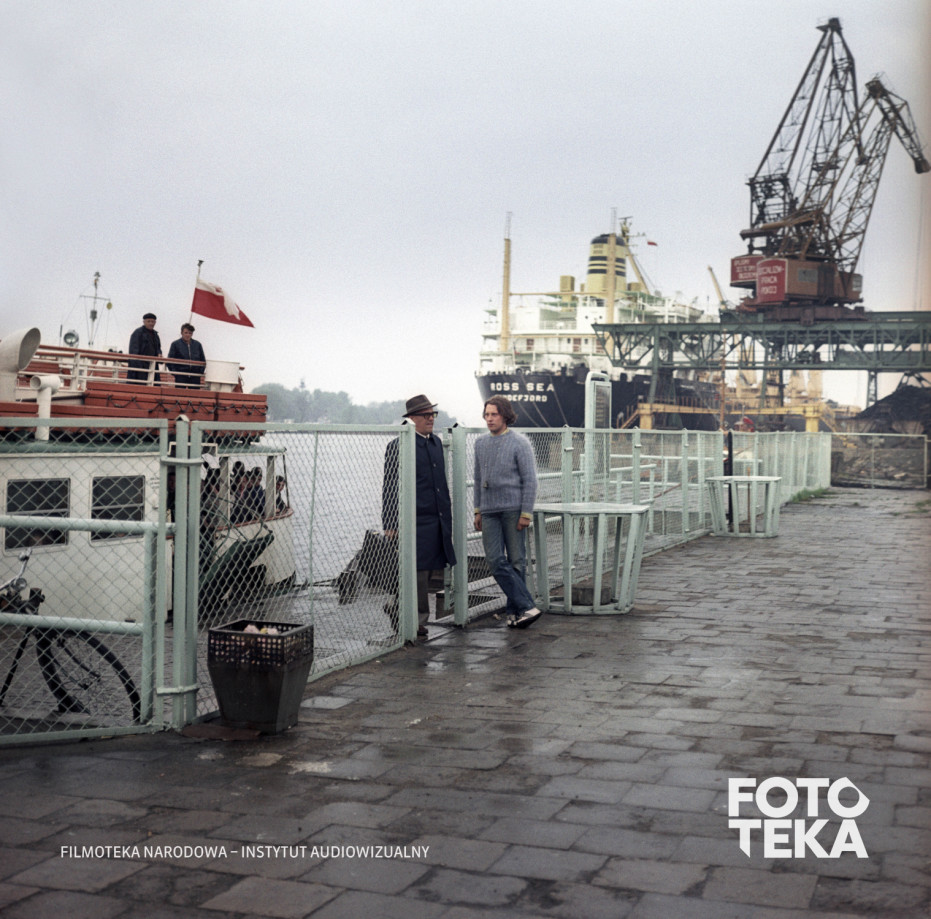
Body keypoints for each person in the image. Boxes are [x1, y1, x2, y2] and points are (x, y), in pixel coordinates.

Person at [382, 394, 456, 639]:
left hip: (437, 517)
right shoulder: (398, 445)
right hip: (414, 519)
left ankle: (401, 610)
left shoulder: (435, 443)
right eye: (425, 415)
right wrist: (390, 523)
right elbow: (389, 486)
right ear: (412, 418)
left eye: (432, 414)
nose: (431, 419)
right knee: (418, 571)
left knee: (430, 568)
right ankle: (415, 619)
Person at [473, 395, 541, 629]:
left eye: (494, 414)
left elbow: (530, 480)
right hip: (489, 511)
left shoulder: (520, 443)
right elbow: (478, 478)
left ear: (505, 416)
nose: (489, 419)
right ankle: (528, 606)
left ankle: (515, 613)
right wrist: (477, 510)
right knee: (494, 560)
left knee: (517, 562)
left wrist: (526, 513)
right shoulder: (480, 443)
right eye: (487, 414)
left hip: (513, 510)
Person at [166, 323, 206, 388]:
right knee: (180, 393)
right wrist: (175, 373)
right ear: (181, 333)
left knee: (194, 393)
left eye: (190, 333)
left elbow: (202, 359)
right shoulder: (175, 344)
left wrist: (200, 372)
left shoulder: (198, 344)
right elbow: (170, 360)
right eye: (186, 333)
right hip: (181, 374)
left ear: (192, 334)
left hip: (195, 375)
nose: (188, 335)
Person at [127, 312, 162, 383]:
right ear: (144, 322)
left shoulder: (155, 335)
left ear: (155, 322)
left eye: (152, 321)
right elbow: (133, 352)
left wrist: (159, 354)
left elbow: (158, 348)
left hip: (153, 366)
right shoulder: (137, 333)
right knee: (140, 386)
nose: (151, 323)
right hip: (140, 368)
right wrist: (139, 368)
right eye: (148, 321)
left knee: (154, 386)